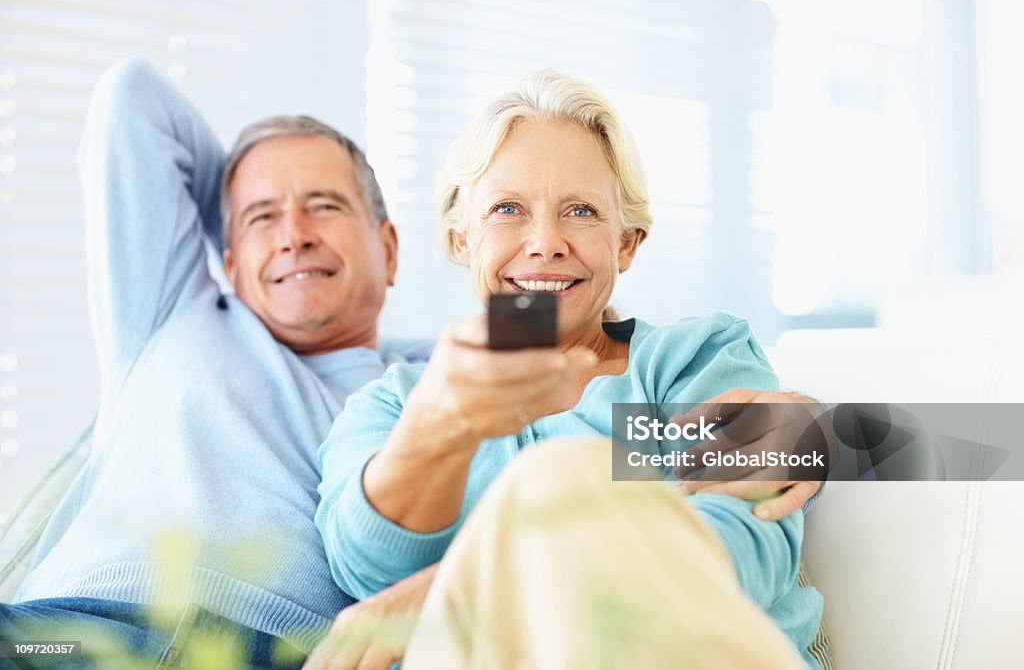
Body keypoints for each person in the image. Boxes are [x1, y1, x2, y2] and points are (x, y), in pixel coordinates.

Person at [311, 70, 825, 669]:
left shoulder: (692, 362)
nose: (546, 241)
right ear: (461, 240)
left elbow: (741, 546)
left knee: (560, 474)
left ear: (626, 242)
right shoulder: (393, 406)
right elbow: (369, 570)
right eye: (507, 209)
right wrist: (436, 426)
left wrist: (459, 590)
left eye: (580, 210)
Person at [0, 58, 442, 668]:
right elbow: (133, 99)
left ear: (388, 250)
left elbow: (612, 442)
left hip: (280, 653)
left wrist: (437, 589)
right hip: (72, 635)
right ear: (227, 262)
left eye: (324, 206)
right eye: (263, 217)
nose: (294, 235)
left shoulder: (446, 377)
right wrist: (247, 221)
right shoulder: (174, 313)